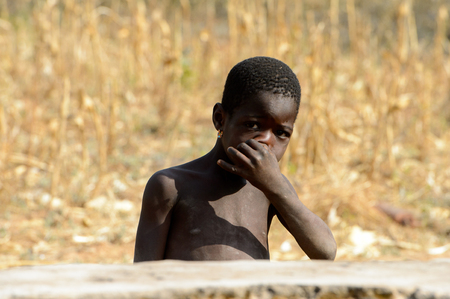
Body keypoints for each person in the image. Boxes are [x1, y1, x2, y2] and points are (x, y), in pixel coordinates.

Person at [134, 56, 336, 261]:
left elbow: (325, 252)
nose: (266, 141)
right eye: (252, 125)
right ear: (220, 119)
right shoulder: (171, 186)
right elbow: (144, 274)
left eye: (281, 133)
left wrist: (276, 188)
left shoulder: (272, 189)